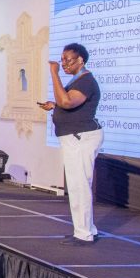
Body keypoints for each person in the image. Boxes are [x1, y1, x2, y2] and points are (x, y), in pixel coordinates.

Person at [42, 42, 103, 246]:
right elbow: (66, 103)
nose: (64, 64)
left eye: (68, 60)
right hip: (75, 137)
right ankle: (88, 229)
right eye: (62, 60)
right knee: (77, 185)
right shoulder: (78, 80)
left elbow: (67, 102)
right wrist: (54, 105)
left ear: (81, 60)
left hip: (81, 137)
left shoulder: (86, 81)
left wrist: (54, 73)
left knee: (79, 186)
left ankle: (83, 234)